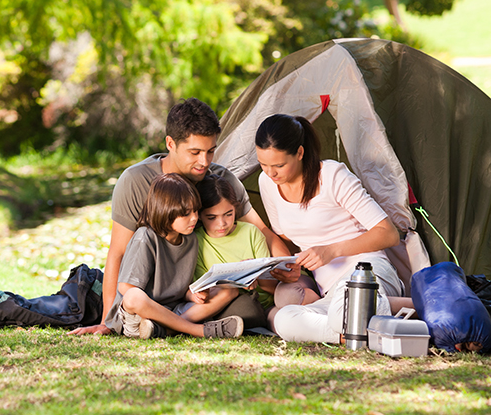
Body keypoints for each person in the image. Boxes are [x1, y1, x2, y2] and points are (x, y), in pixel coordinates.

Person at [70, 98, 292, 336]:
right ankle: (185, 328)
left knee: (244, 307)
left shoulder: (220, 180)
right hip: (151, 289)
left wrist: (289, 269)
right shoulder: (135, 181)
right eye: (194, 152)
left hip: (191, 294)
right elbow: (118, 253)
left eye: (210, 151)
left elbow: (264, 232)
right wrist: (107, 322)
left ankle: (164, 326)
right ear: (170, 143)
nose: (204, 162)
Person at [255, 114, 406, 343]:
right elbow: (288, 235)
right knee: (283, 317)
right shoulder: (267, 183)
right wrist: (293, 266)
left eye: (279, 165)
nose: (270, 172)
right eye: (263, 164)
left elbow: (388, 233)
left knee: (342, 308)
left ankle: (397, 310)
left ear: (300, 153)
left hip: (366, 271)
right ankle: (350, 331)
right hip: (331, 292)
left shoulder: (332, 176)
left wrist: (331, 251)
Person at [102, 173, 244, 339]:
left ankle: (166, 330)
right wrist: (156, 310)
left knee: (230, 291)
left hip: (173, 310)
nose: (194, 218)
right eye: (185, 214)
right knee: (134, 296)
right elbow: (125, 288)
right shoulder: (145, 237)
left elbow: (179, 288)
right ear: (165, 211)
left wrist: (192, 294)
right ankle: (198, 330)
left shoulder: (190, 239)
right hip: (137, 317)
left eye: (195, 211)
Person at [185, 174, 320, 330]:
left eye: (228, 214)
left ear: (235, 209)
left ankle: (323, 305)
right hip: (249, 308)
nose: (222, 223)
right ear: (200, 215)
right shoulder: (198, 242)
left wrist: (255, 275)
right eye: (212, 217)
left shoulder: (251, 232)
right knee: (286, 325)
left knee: (288, 297)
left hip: (274, 297)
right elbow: (207, 290)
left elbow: (272, 288)